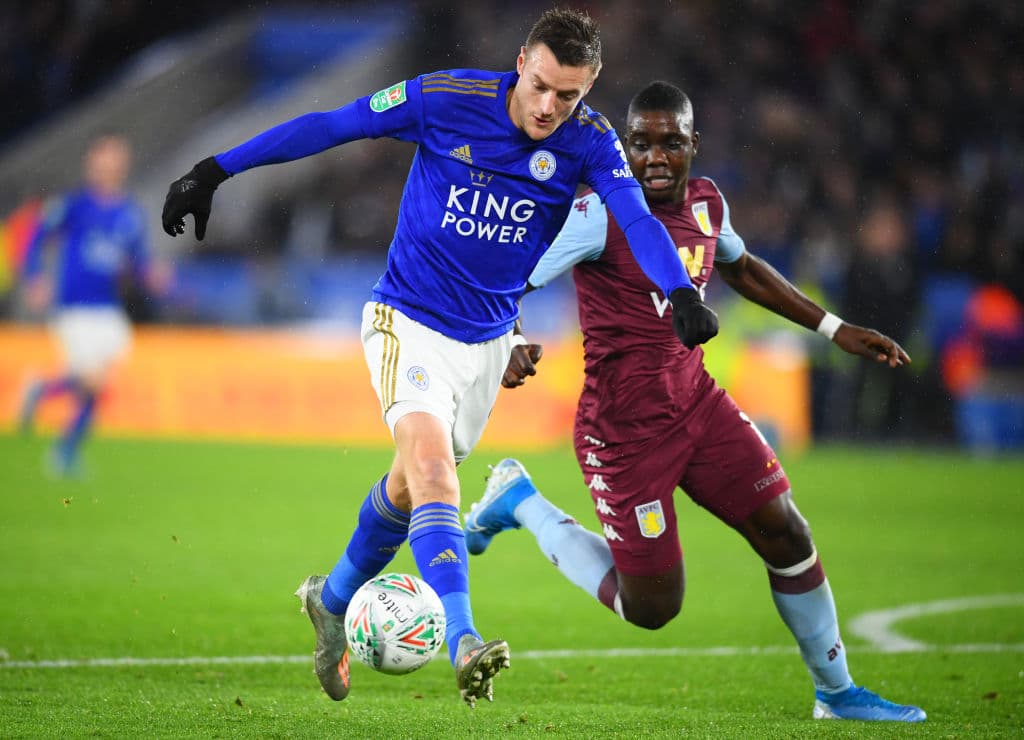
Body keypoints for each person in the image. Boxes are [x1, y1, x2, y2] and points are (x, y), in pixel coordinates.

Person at [161, 9, 719, 707]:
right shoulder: (445, 99)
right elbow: (332, 125)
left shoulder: (589, 141)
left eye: (568, 95)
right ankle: (464, 639)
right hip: (406, 320)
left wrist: (680, 291)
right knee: (431, 470)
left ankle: (331, 599)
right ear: (522, 61)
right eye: (541, 86)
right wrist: (216, 170)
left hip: (485, 343)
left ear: (591, 85)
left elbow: (634, 215)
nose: (549, 107)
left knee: (407, 489)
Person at [464, 81, 926, 722]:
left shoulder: (708, 203)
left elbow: (740, 268)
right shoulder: (599, 212)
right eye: (642, 143)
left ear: (693, 146)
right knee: (652, 608)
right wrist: (509, 334)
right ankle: (519, 502)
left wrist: (833, 329)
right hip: (622, 434)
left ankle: (837, 692)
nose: (655, 156)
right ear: (624, 146)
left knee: (787, 532)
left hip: (698, 406)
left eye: (670, 143)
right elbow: (508, 275)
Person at [19, 134, 168, 477]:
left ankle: (50, 407)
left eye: (117, 156)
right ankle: (61, 443)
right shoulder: (73, 205)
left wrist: (153, 277)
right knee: (95, 382)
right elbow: (37, 236)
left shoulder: (129, 214)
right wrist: (34, 276)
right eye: (105, 156)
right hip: (75, 307)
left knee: (97, 385)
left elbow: (137, 261)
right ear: (92, 161)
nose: (110, 163)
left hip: (108, 310)